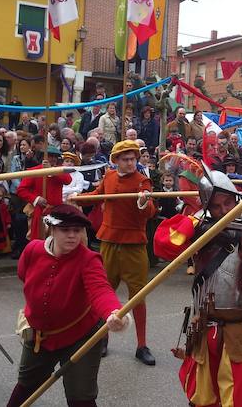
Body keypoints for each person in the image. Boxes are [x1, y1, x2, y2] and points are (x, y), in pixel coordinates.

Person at [153, 168, 242, 406]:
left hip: (241, 331)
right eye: (216, 206)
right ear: (207, 207)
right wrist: (195, 227)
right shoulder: (199, 227)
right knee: (202, 399)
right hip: (204, 328)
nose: (224, 211)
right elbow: (163, 246)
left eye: (228, 203)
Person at [6, 205, 128, 406]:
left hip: (81, 335)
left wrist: (114, 313)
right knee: (25, 387)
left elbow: (101, 290)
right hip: (40, 335)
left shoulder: (89, 259)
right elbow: (23, 275)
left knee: (81, 397)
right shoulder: (32, 250)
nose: (72, 236)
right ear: (51, 229)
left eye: (77, 231)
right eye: (65, 230)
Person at [84, 140, 157, 365]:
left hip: (134, 245)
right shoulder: (108, 177)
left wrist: (144, 202)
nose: (130, 163)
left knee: (137, 297)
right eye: (125, 159)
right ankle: (102, 338)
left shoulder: (142, 181)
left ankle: (142, 345)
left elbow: (151, 211)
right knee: (104, 294)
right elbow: (96, 195)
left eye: (133, 158)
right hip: (108, 242)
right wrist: (77, 198)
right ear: (115, 161)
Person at [17, 147, 72, 241]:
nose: (53, 158)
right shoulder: (34, 171)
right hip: (39, 211)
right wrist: (36, 199)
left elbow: (68, 180)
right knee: (39, 239)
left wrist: (51, 170)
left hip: (56, 212)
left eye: (55, 156)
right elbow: (21, 190)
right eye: (50, 156)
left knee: (56, 240)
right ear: (44, 157)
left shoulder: (60, 170)